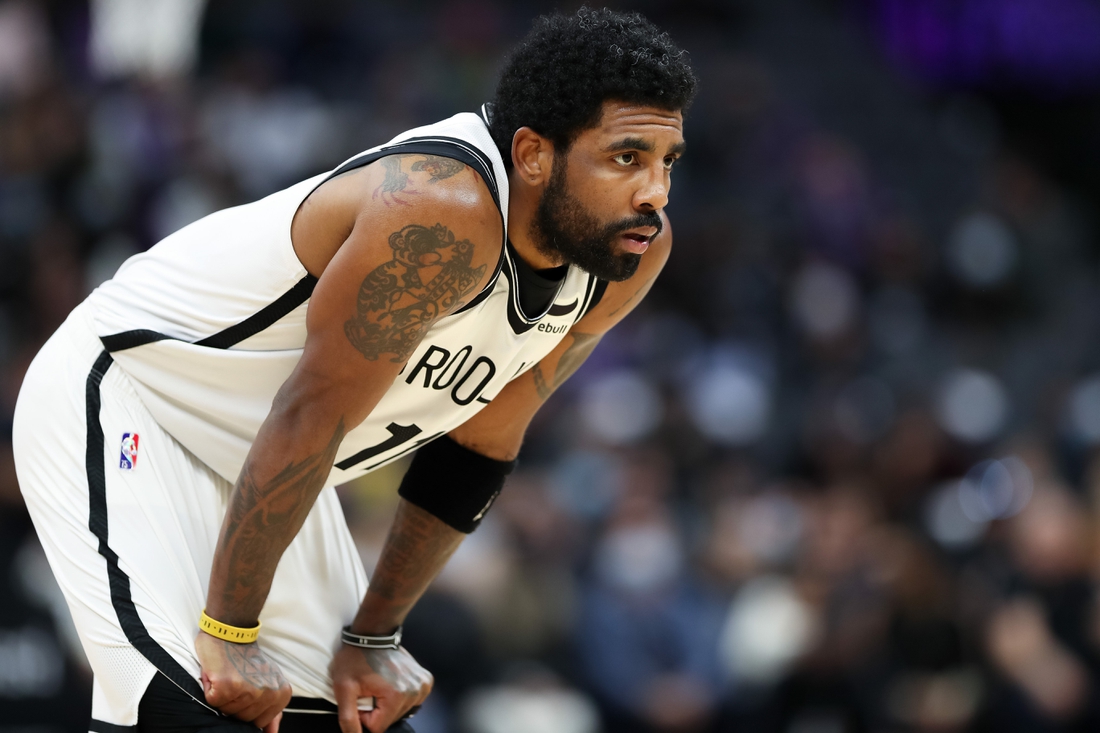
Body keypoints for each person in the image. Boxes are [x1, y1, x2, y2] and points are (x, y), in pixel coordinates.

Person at [13, 7, 696, 733]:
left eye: (667, 162)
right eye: (626, 158)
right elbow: (309, 415)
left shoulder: (627, 254)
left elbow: (479, 448)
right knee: (186, 712)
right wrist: (230, 630)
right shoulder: (440, 206)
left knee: (356, 719)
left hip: (267, 462)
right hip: (133, 397)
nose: (654, 190)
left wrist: (374, 636)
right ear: (532, 154)